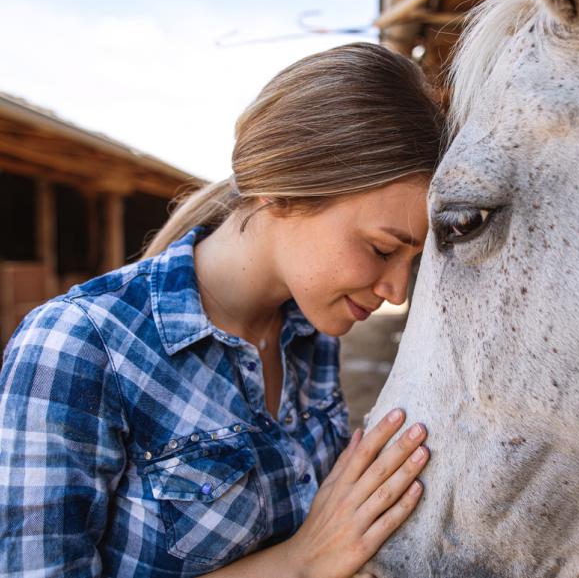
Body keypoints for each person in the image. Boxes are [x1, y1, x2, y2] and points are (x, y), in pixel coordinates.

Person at [0, 42, 443, 578]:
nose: (397, 291)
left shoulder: (309, 333)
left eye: (413, 261)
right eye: (381, 249)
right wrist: (299, 562)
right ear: (282, 192)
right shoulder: (78, 346)